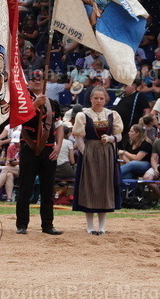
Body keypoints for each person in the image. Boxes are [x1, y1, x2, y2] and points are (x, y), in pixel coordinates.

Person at [71, 86, 123, 235]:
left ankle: (101, 227)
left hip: (107, 153)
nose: (99, 101)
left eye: (101, 98)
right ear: (91, 99)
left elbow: (119, 135)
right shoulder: (83, 115)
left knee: (104, 186)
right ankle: (89, 226)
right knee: (90, 186)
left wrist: (110, 138)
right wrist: (85, 153)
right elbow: (78, 136)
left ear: (105, 99)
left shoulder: (112, 114)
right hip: (90, 151)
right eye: (96, 98)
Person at [15, 78, 63, 235]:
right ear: (28, 83)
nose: (37, 82)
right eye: (34, 79)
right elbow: (18, 118)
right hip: (29, 147)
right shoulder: (22, 102)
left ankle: (48, 225)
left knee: (48, 189)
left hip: (49, 149)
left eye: (40, 79)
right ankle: (22, 225)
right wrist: (35, 104)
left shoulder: (54, 103)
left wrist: (59, 145)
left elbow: (59, 126)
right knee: (25, 188)